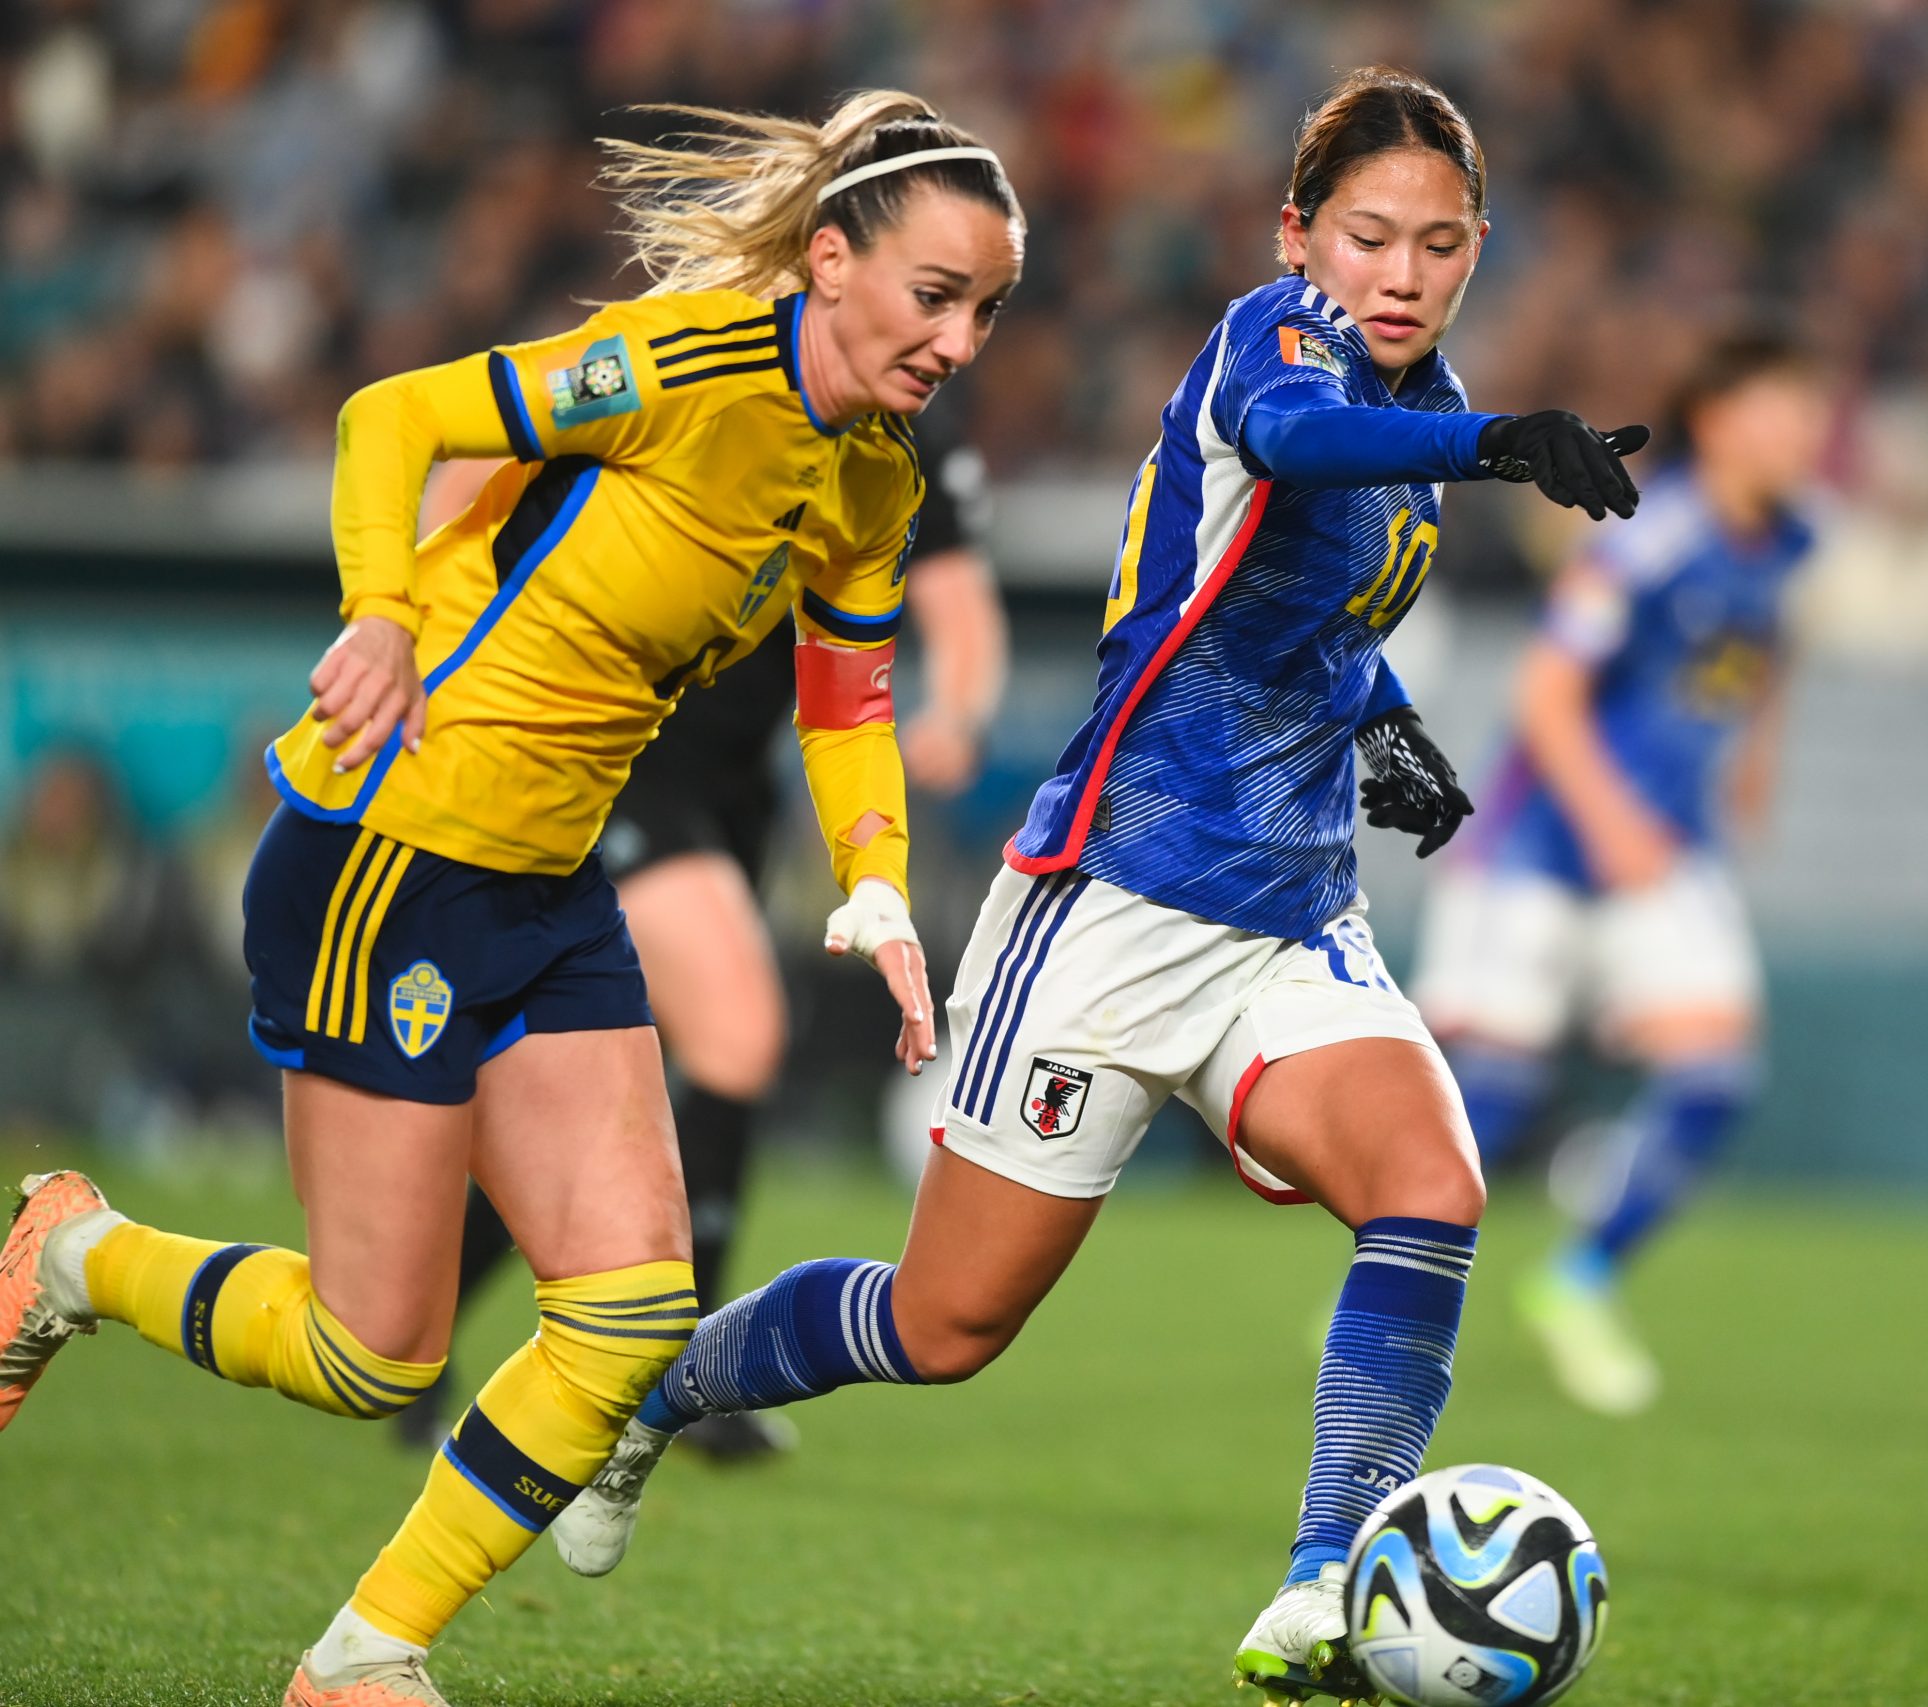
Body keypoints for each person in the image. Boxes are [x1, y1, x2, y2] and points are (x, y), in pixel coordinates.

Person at [542, 66, 1648, 1705]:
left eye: (1440, 243)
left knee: (1432, 1187)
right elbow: (1289, 447)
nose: (1402, 273)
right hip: (1113, 904)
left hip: (1292, 914)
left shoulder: (1424, 406)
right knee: (942, 1325)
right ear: (1297, 232)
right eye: (1368, 236)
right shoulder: (1273, 346)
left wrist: (1382, 718)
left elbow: (1297, 613)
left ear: (1478, 247)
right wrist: (1495, 446)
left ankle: (1324, 1582)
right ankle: (657, 1392)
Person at [0, 92, 1020, 1707]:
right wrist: (382, 611)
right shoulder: (684, 364)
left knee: (629, 1311)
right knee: (368, 1352)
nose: (960, 340)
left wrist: (878, 883)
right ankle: (72, 1254)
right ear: (831, 260)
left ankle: (363, 1655)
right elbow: (391, 417)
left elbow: (847, 698)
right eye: (937, 294)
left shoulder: (873, 480)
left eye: (989, 309)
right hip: (393, 850)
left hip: (551, 882)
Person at [399, 406, 1007, 1462]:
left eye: (970, 325)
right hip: (611, 757)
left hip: (730, 794)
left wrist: (954, 713)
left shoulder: (909, 436)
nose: (947, 343)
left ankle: (412, 1327)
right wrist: (414, 621)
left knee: (608, 1096)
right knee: (737, 1032)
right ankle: (684, 1385)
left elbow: (958, 607)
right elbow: (478, 444)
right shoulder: (711, 361)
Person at [1413, 327, 1828, 1416]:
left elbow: (1767, 641)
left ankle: (1579, 1279)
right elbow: (1544, 692)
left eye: (1809, 413)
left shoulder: (1790, 538)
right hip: (1537, 851)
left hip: (1661, 849)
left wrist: (1758, 752)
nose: (1803, 433)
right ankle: (1393, 1296)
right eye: (1781, 411)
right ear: (1718, 421)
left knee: (1713, 1082)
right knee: (1490, 1102)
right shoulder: (1649, 537)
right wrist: (1609, 822)